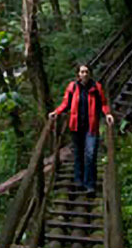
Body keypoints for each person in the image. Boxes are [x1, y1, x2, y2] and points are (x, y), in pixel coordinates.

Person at [49, 63, 114, 196]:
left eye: (86, 71)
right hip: (76, 126)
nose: (84, 74)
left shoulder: (96, 87)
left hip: (91, 126)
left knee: (90, 154)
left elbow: (103, 104)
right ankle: (79, 180)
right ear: (78, 74)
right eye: (82, 72)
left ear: (90, 73)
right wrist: (57, 112)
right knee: (78, 154)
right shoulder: (72, 87)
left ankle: (90, 185)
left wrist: (107, 114)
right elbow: (66, 103)